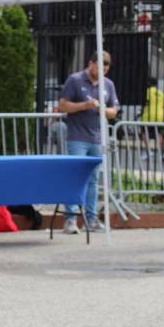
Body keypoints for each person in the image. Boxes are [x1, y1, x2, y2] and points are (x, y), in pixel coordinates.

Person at [58, 51, 119, 234]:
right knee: (75, 176)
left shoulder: (108, 84)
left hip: (97, 138)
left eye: (105, 68)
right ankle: (70, 219)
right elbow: (62, 105)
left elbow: (114, 111)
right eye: (99, 67)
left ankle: (91, 219)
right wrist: (84, 105)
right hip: (77, 137)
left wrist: (103, 110)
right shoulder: (75, 80)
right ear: (91, 64)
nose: (102, 71)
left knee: (93, 179)